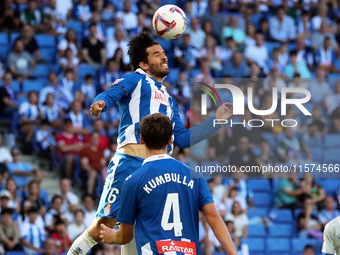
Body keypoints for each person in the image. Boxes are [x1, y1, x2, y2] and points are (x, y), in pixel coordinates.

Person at [67, 32, 233, 255]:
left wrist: (216, 121)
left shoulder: (170, 99)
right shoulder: (136, 79)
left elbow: (182, 138)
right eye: (157, 54)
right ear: (143, 64)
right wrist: (101, 103)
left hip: (160, 169)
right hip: (131, 163)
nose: (164, 57)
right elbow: (114, 92)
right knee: (103, 225)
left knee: (138, 232)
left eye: (164, 53)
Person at [98, 113, 238, 255]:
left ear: (141, 140)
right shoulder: (195, 175)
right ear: (171, 140)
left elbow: (125, 236)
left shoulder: (132, 181)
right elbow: (213, 216)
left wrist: (112, 236)